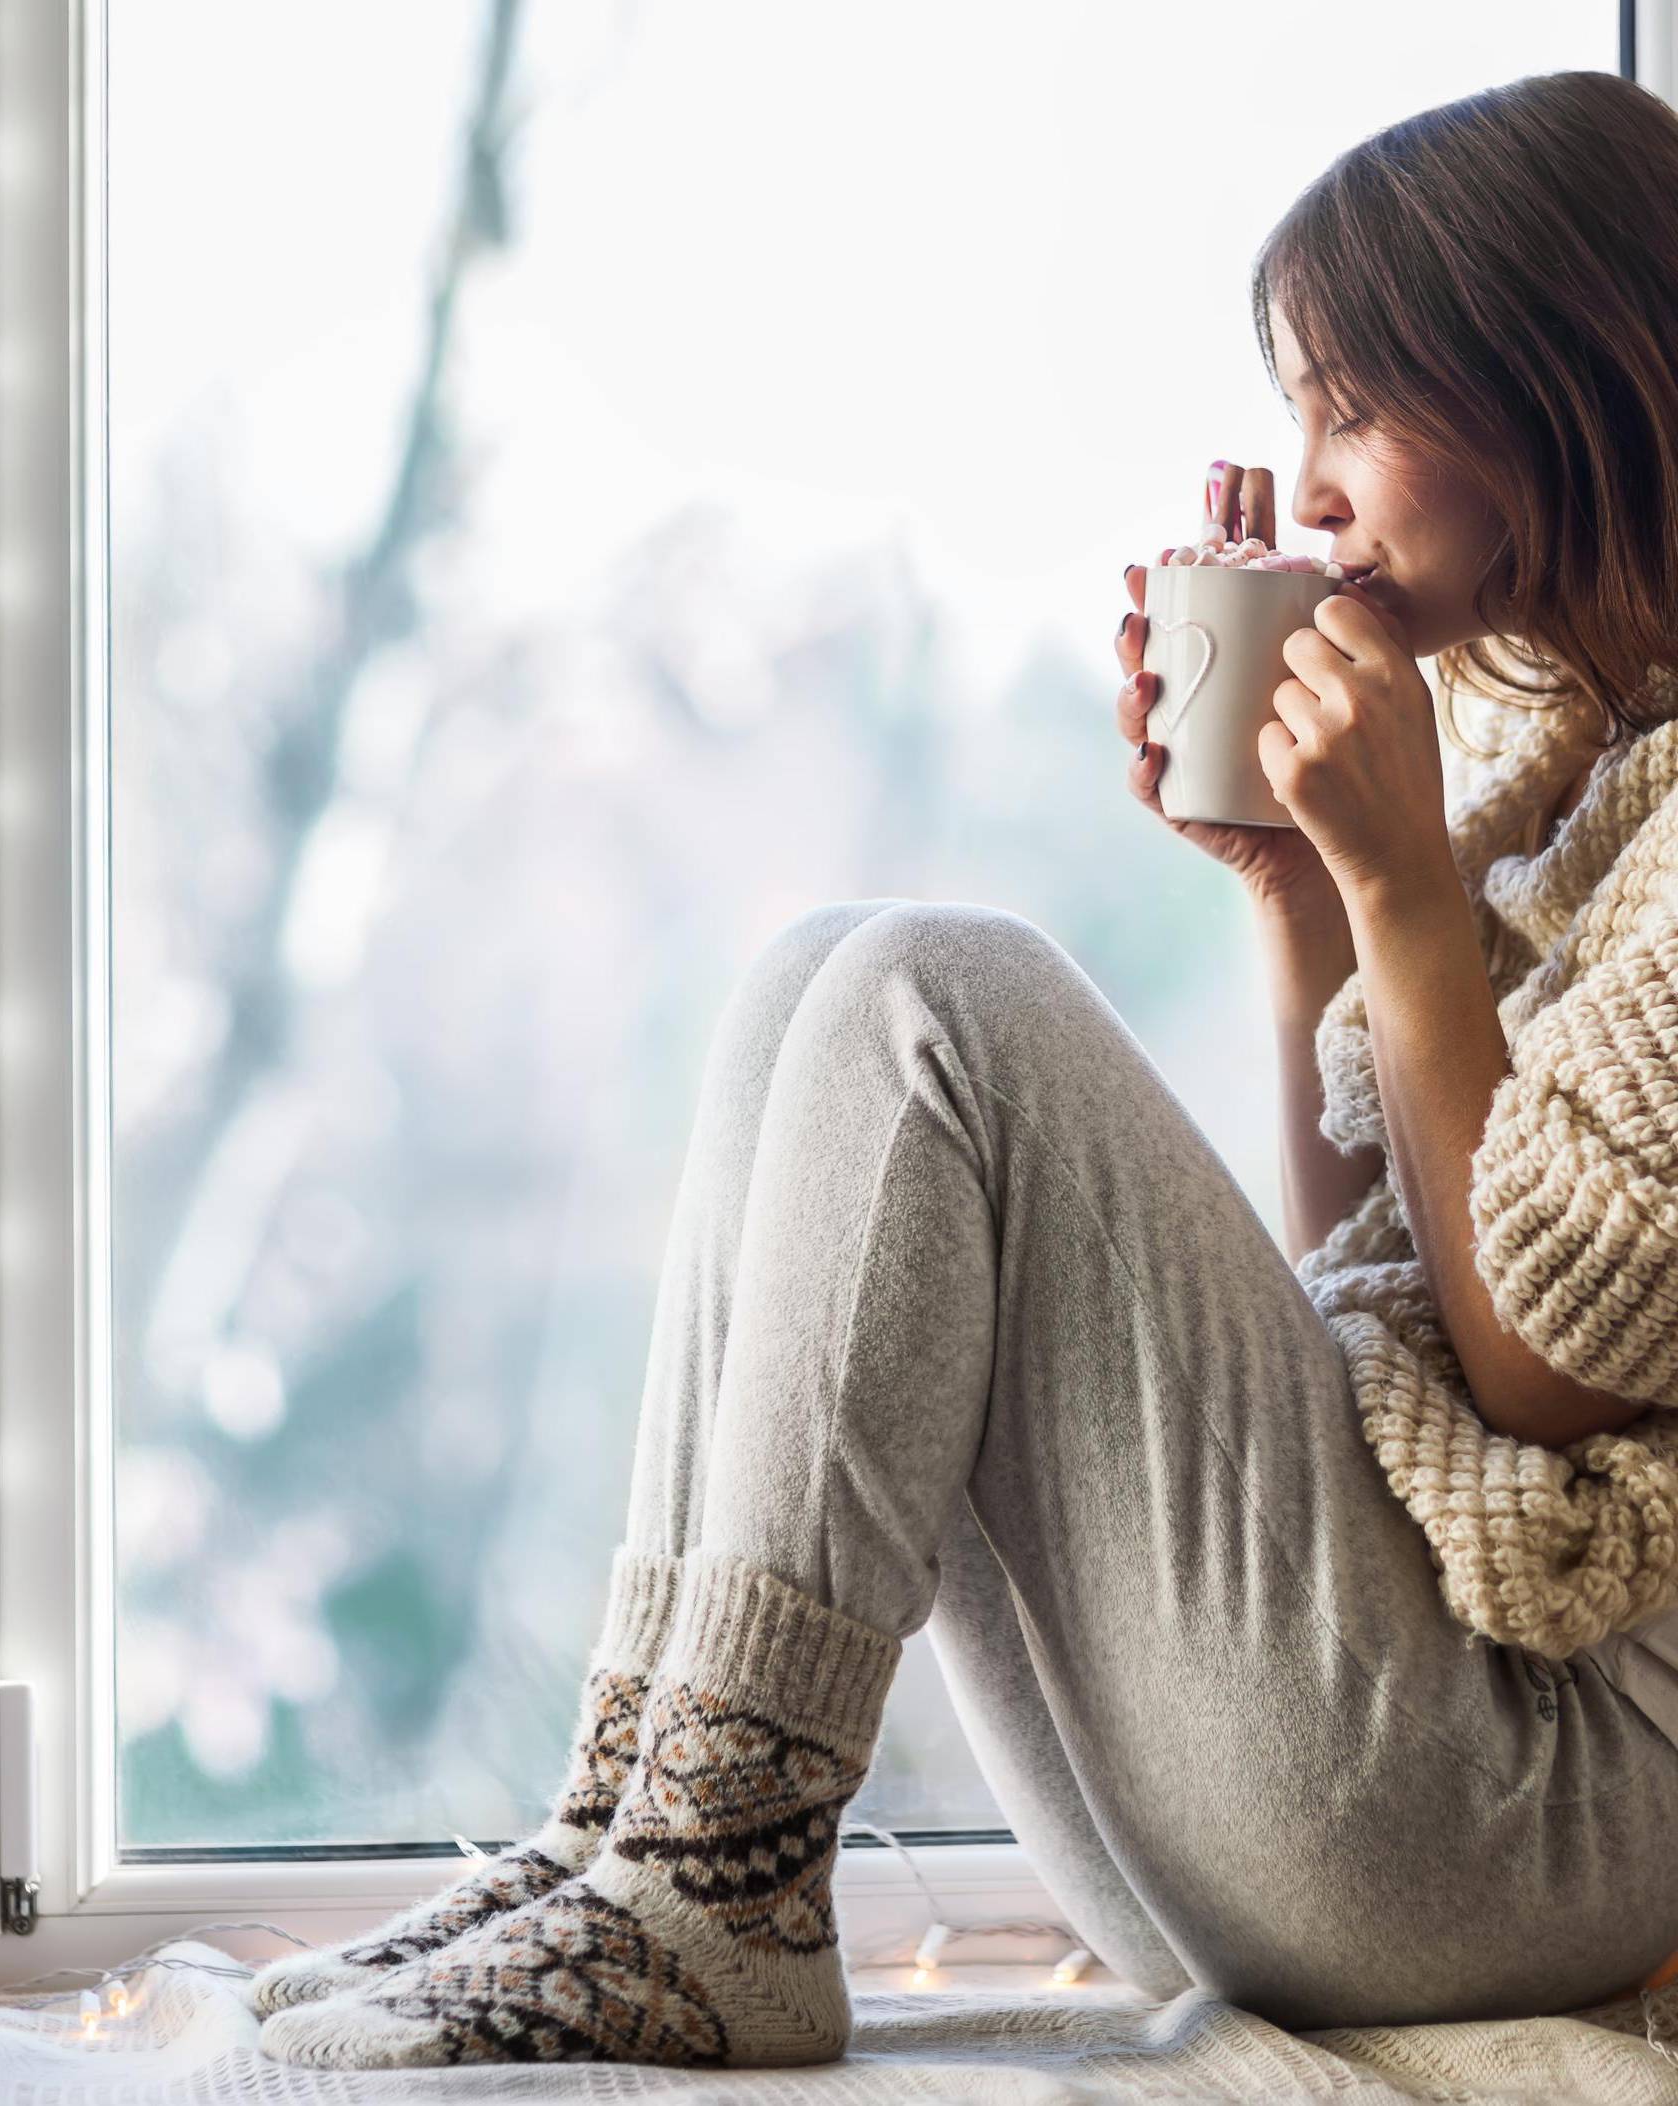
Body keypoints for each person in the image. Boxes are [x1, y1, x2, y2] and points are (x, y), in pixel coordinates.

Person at [251, 68, 1678, 2070]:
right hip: (1369, 1816)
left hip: (1531, 1822)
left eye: (1359, 403)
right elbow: (1400, 1301)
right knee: (812, 985)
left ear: (1567, 379)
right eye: (1300, 414)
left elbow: (1543, 1367)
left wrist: (1406, 896)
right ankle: (647, 1828)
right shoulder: (1568, 781)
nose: (1316, 476)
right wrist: (1299, 895)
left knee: (945, 993)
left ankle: (712, 1893)